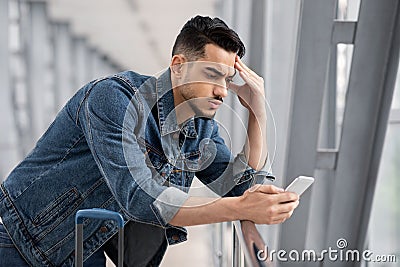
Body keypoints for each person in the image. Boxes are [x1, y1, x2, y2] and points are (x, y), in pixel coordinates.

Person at [0, 15, 299, 266]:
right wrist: (240, 209)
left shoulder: (200, 130)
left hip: (82, 250)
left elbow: (240, 187)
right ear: (178, 65)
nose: (222, 91)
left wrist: (257, 110)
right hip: (22, 242)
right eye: (212, 74)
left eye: (227, 79)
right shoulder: (114, 98)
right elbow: (140, 198)